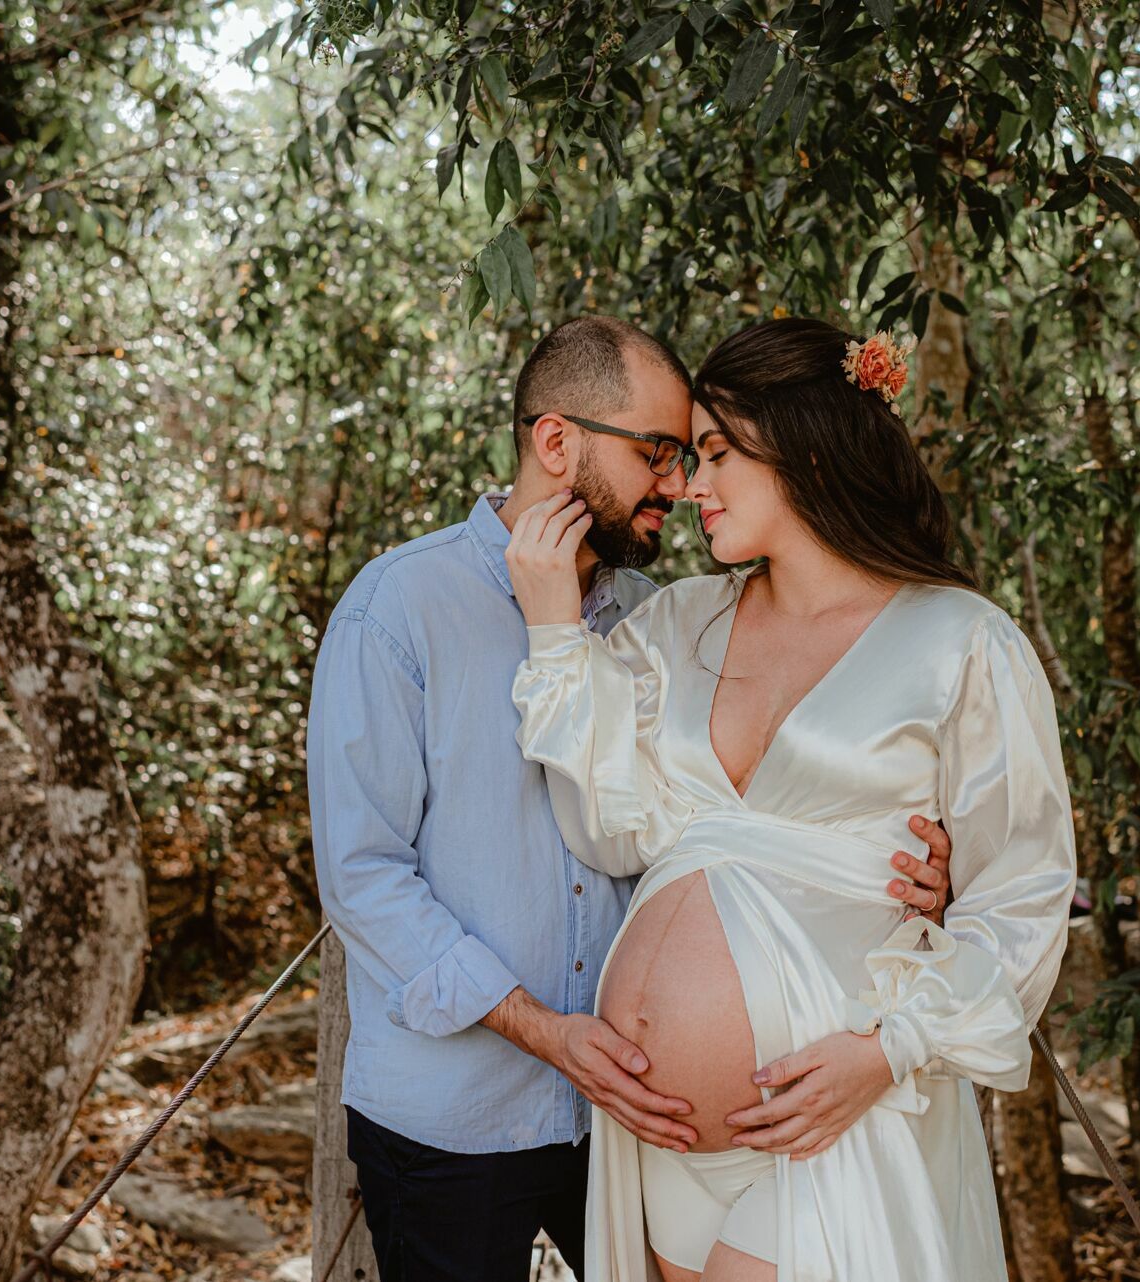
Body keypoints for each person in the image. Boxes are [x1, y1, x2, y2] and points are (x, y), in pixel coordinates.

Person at [306, 315, 954, 1282]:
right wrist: (542, 1030)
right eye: (659, 451)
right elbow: (362, 878)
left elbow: (717, 829)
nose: (679, 484)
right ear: (556, 442)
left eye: (692, 454)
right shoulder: (396, 611)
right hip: (460, 1117)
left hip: (640, 1125)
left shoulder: (663, 621)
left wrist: (894, 877)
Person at [505, 317, 1078, 1281]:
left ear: (806, 448)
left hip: (833, 1118)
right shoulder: (675, 626)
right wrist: (556, 632)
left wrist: (888, 1052)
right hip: (659, 1143)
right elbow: (608, 834)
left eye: (717, 453)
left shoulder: (964, 643)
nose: (687, 485)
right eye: (686, 458)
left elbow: (1021, 896)